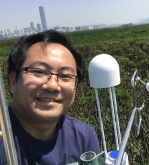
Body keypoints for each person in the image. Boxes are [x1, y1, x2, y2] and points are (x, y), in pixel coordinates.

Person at [0, 30, 100, 165]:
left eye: (65, 76)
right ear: (13, 81)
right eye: (39, 72)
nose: (53, 85)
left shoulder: (83, 136)